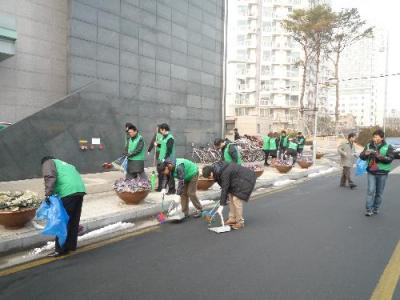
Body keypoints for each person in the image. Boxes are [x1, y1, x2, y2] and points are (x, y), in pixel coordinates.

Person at [41, 156, 86, 257]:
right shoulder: (66, 164)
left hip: (68, 191)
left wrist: (48, 194)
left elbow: (50, 177)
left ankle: (60, 250)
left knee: (62, 221)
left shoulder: (48, 162)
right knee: (73, 220)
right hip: (79, 190)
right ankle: (70, 246)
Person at [202, 161, 256, 230]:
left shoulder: (224, 172)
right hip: (237, 179)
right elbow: (224, 187)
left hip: (246, 179)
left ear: (211, 173)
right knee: (231, 197)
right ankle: (232, 218)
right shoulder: (217, 171)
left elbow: (225, 187)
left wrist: (221, 205)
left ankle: (240, 222)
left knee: (236, 199)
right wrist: (223, 199)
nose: (210, 178)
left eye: (209, 176)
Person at [359, 129, 394, 216]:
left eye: (376, 137)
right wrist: (365, 154)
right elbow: (361, 156)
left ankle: (376, 207)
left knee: (379, 193)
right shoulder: (368, 145)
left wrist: (379, 156)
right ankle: (368, 209)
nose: (374, 138)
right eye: (374, 136)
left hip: (382, 173)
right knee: (370, 191)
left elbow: (390, 159)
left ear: (382, 138)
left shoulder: (388, 146)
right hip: (371, 171)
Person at [157, 123, 176, 194]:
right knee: (163, 173)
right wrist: (157, 145)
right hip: (162, 158)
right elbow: (162, 146)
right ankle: (163, 188)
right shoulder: (163, 137)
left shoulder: (170, 138)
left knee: (169, 174)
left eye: (161, 130)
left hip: (169, 159)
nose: (160, 132)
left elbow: (169, 150)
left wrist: (164, 159)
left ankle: (172, 190)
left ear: (164, 130)